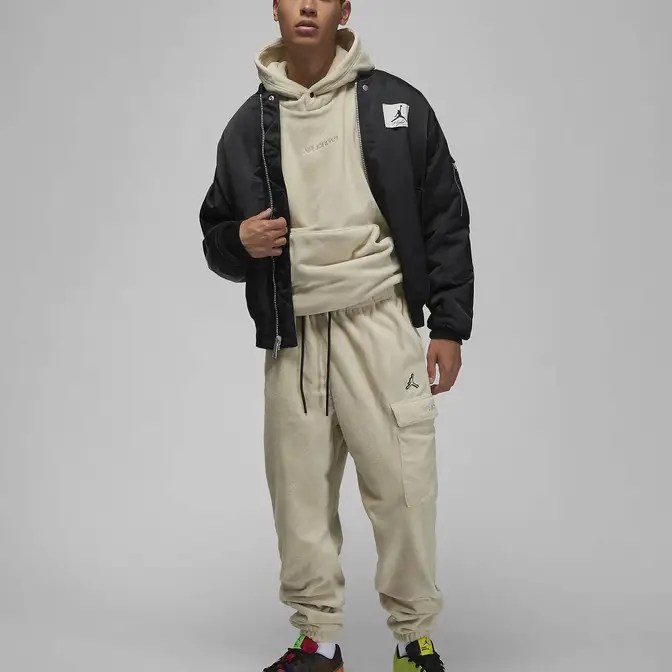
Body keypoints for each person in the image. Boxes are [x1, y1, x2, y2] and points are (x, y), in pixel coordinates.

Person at [198, 1, 474, 670]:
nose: (307, 6)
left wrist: (448, 324)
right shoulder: (247, 127)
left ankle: (414, 643)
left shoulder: (397, 107)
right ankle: (318, 644)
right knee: (299, 498)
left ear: (344, 8)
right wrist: (239, 240)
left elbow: (444, 213)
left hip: (379, 317)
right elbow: (216, 234)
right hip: (293, 329)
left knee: (404, 490)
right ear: (274, 6)